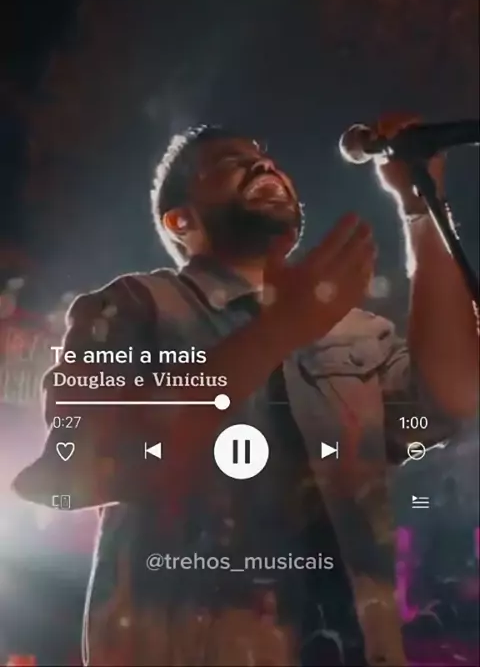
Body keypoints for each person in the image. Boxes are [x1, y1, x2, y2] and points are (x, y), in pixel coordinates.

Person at [13, 114, 478, 666]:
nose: (263, 166)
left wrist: (420, 208)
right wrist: (279, 330)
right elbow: (82, 457)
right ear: (181, 220)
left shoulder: (352, 332)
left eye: (267, 159)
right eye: (230, 163)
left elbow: (453, 397)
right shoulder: (134, 307)